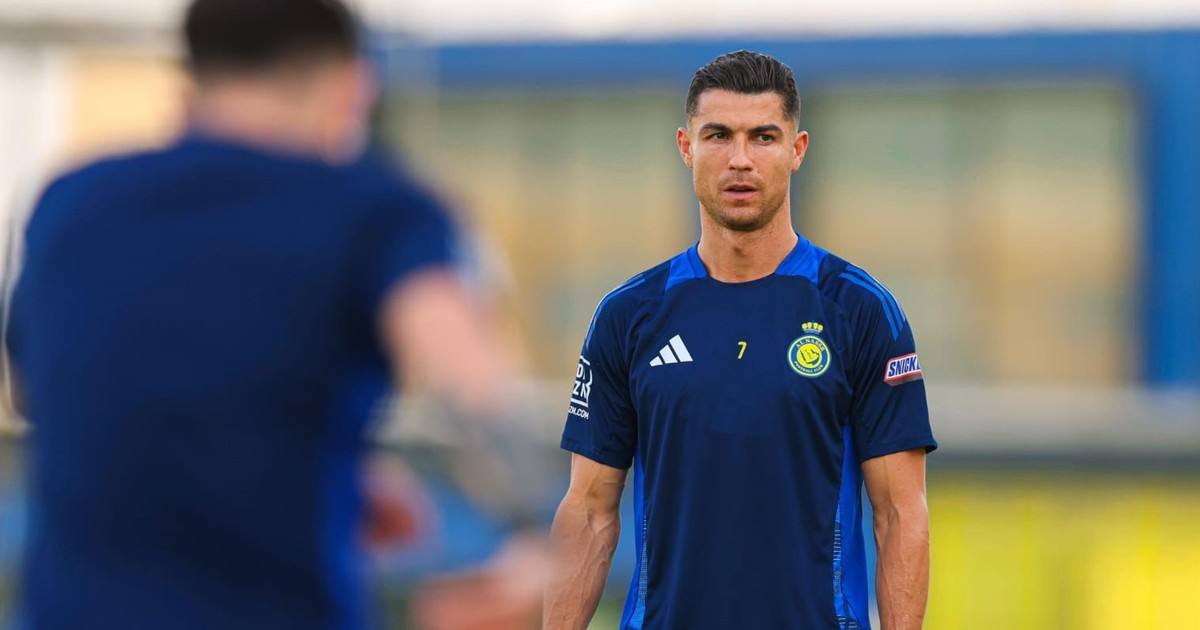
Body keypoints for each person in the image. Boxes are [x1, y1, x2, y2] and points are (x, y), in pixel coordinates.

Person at [4, 0, 510, 628]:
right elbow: (471, 384)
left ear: (191, 87)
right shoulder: (377, 209)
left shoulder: (70, 202)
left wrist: (320, 472)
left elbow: (47, 394)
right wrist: (535, 542)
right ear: (352, 89)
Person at [544, 50, 937, 630]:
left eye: (764, 137)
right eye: (719, 135)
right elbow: (589, 512)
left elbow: (900, 514)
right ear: (687, 147)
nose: (740, 159)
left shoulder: (860, 310)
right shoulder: (628, 316)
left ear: (797, 150)